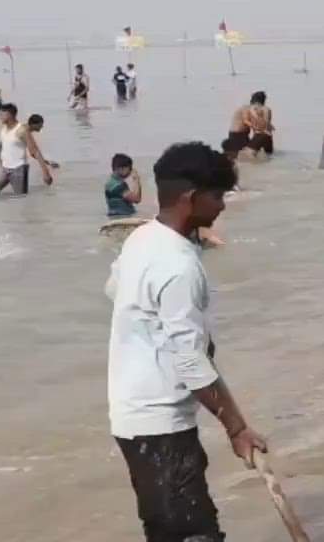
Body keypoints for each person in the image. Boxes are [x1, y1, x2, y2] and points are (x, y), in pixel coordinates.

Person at [105, 141, 265, 542]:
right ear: (191, 199)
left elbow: (114, 289)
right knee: (193, 532)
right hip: (159, 423)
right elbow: (191, 364)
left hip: (132, 415)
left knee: (166, 529)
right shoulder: (179, 265)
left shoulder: (141, 239)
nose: (224, 205)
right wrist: (235, 429)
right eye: (218, 196)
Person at [0, 105, 54, 196]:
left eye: (2, 114)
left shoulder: (22, 130)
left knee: (20, 199)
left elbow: (35, 151)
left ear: (10, 115)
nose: (0, 116)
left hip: (19, 170)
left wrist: (46, 172)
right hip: (5, 169)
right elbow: (4, 150)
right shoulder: (3, 130)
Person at [225, 92, 273, 157]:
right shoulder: (248, 108)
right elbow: (247, 121)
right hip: (238, 135)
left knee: (242, 157)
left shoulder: (251, 108)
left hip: (240, 134)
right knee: (245, 156)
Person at [106, 153, 144, 218]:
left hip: (116, 217)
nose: (130, 171)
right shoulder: (118, 185)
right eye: (129, 168)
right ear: (121, 168)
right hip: (123, 218)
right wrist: (136, 180)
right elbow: (137, 199)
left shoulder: (111, 183)